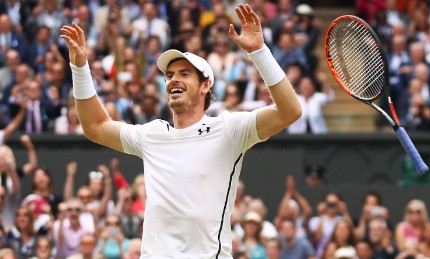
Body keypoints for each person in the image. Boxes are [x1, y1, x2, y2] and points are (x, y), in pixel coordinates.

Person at [60, 3, 301, 258]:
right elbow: (95, 127)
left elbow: (290, 111)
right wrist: (80, 68)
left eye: (185, 74)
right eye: (170, 75)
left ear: (205, 84)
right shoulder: (151, 135)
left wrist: (259, 52)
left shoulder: (229, 129)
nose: (173, 79)